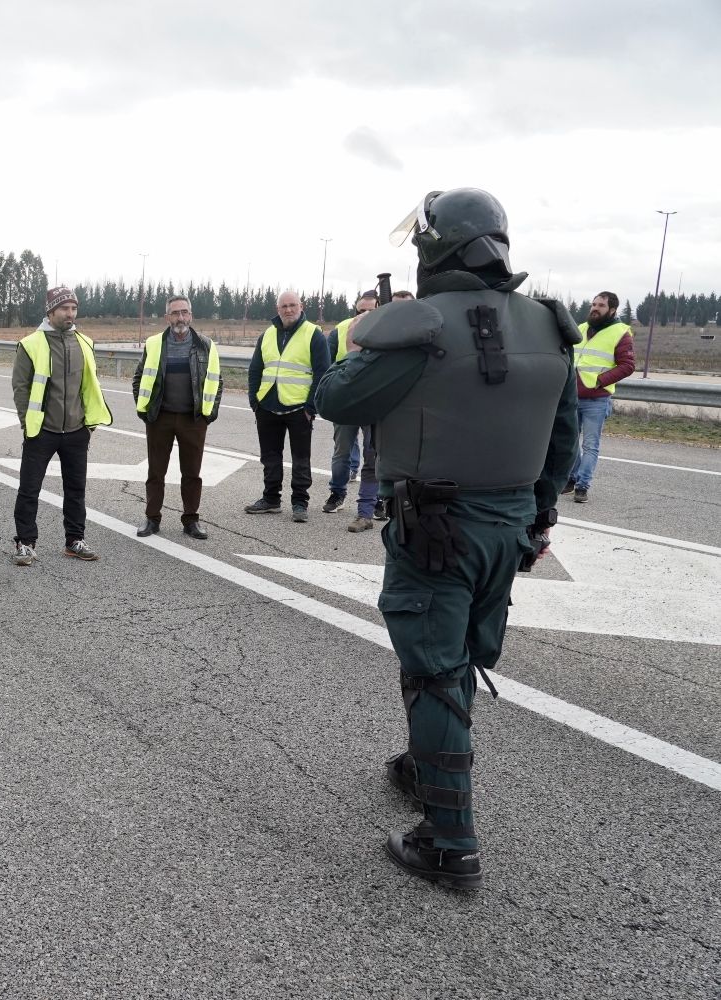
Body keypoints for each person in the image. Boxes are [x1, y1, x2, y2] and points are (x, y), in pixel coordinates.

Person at [316, 187, 579, 889]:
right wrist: (539, 517)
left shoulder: (422, 327)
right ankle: (425, 762)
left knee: (434, 669)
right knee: (453, 657)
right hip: (510, 526)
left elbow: (336, 399)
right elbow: (563, 439)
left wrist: (370, 333)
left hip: (435, 528)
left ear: (437, 247)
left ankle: (450, 844)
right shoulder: (550, 324)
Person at [9, 285, 113, 565]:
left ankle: (74, 540)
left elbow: (89, 386)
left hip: (77, 431)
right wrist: (28, 423)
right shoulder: (31, 344)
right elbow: (20, 388)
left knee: (76, 490)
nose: (70, 313)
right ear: (51, 311)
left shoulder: (84, 342)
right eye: (64, 308)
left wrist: (87, 426)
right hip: (42, 431)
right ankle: (26, 543)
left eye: (74, 308)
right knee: (29, 490)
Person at [131, 295, 221, 539]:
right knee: (155, 471)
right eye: (175, 313)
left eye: (184, 312)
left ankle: (191, 520)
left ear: (190, 315)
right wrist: (144, 409)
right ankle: (152, 519)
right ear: (167, 317)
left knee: (192, 473)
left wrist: (208, 415)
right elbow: (139, 377)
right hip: (160, 418)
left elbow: (216, 381)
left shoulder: (206, 345)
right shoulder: (154, 344)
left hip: (193, 420)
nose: (180, 317)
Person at [245, 290, 329, 522]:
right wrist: (255, 401)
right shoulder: (267, 334)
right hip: (267, 405)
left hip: (298, 407)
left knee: (301, 458)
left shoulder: (314, 334)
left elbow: (323, 373)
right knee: (270, 456)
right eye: (284, 306)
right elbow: (255, 369)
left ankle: (300, 503)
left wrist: (311, 407)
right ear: (277, 309)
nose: (288, 310)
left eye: (293, 305)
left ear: (301, 307)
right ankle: (271, 499)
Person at [565, 290, 635, 503]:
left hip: (597, 399)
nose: (594, 308)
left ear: (612, 310)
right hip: (572, 395)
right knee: (569, 441)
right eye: (593, 304)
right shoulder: (581, 328)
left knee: (590, 445)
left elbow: (628, 365)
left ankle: (582, 486)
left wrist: (599, 380)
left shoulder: (620, 332)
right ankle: (572, 477)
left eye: (600, 305)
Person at [323, 291, 379, 514]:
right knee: (341, 452)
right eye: (360, 310)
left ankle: (376, 500)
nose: (364, 314)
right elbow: (328, 367)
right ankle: (337, 493)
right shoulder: (340, 330)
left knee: (372, 453)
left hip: (373, 402)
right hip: (346, 402)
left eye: (370, 310)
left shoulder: (386, 330)